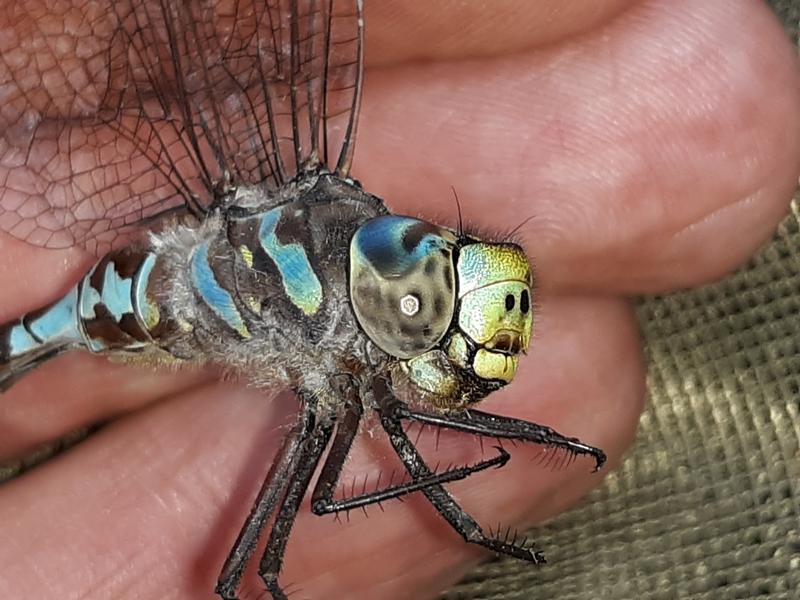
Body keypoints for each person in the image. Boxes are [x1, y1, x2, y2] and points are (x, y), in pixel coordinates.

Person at [0, 1, 798, 598]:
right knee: (255, 572)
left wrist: (507, 449)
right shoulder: (348, 363)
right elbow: (296, 532)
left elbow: (389, 441)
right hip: (142, 293)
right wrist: (495, 460)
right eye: (430, 300)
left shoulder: (356, 349)